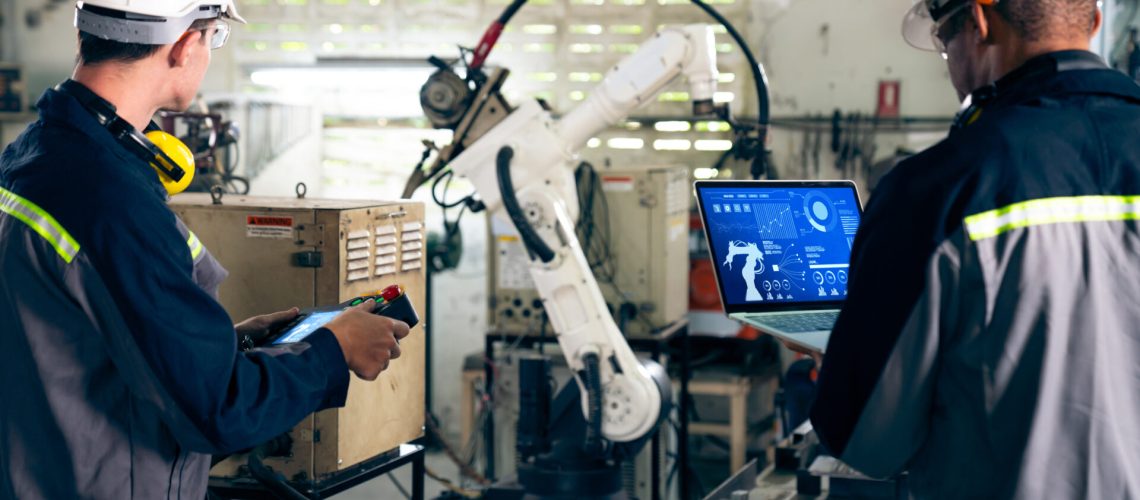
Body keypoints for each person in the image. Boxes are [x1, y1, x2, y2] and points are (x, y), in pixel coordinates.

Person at [0, 1, 409, 498]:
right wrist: (334, 350)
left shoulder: (32, 155)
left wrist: (221, 347)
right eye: (215, 37)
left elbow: (76, 342)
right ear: (185, 44)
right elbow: (220, 411)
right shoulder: (112, 201)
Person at [808, 0, 1140, 498]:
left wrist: (840, 360)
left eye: (945, 43)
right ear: (1092, 23)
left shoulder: (937, 190)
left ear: (981, 22)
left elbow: (866, 442)